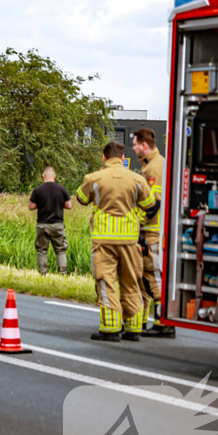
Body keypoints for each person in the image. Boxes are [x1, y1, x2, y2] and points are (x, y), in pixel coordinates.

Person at [75, 142, 158, 342]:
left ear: (104, 158)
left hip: (104, 240)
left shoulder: (93, 178)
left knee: (106, 281)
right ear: (122, 158)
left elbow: (81, 198)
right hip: (130, 240)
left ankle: (111, 328)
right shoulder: (137, 179)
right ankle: (134, 328)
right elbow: (150, 205)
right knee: (131, 282)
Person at [132, 128, 172, 338]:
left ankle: (163, 322)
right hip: (153, 230)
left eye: (135, 144)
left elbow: (154, 203)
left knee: (153, 275)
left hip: (153, 231)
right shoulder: (151, 165)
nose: (133, 148)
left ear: (144, 145)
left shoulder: (154, 168)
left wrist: (136, 224)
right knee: (151, 275)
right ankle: (160, 320)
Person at [29, 166, 72, 275]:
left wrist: (42, 205)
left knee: (42, 251)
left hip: (42, 224)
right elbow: (69, 205)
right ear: (55, 176)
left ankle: (43, 274)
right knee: (60, 250)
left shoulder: (38, 190)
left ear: (43, 176)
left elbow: (31, 206)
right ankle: (62, 273)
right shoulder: (61, 189)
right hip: (57, 224)